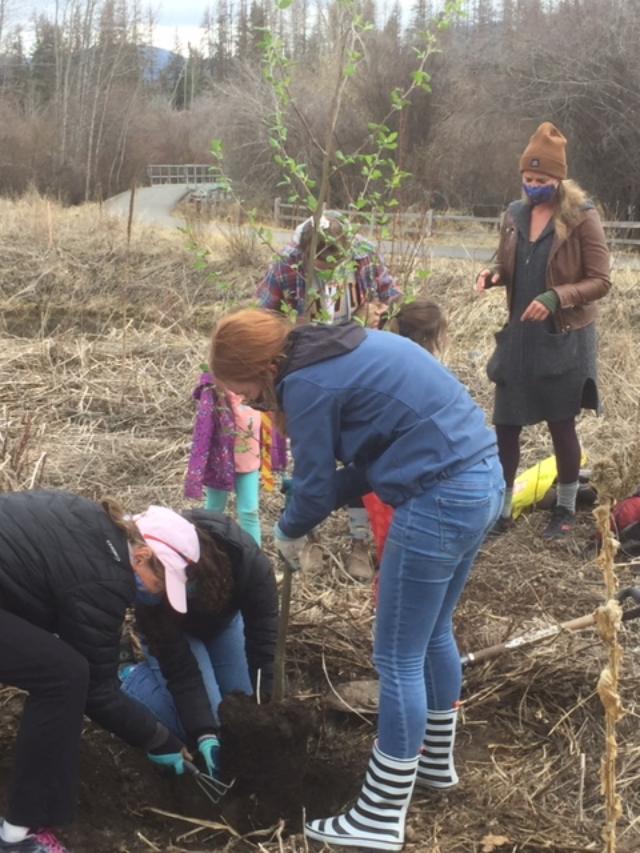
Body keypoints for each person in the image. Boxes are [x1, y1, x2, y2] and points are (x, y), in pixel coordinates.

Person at [210, 308, 504, 852]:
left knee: (396, 657)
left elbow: (321, 488)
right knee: (434, 633)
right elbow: (375, 459)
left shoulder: (306, 382)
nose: (253, 405)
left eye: (249, 394)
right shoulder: (339, 348)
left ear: (264, 367)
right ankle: (434, 766)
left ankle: (380, 815)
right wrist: (315, 493)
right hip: (480, 479)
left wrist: (289, 528)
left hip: (437, 498)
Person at [0, 491, 202, 853]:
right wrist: (158, 739)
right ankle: (17, 836)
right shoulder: (104, 578)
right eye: (162, 583)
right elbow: (96, 687)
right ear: (141, 557)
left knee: (53, 662)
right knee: (65, 675)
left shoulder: (92, 520)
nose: (159, 595)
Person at [476, 121, 611, 540]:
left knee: (560, 423)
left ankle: (566, 508)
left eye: (542, 179)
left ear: (559, 179)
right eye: (527, 178)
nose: (533, 185)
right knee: (506, 424)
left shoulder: (581, 218)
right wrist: (493, 276)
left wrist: (557, 297)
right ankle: (500, 510)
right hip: (518, 336)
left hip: (563, 337)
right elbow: (509, 265)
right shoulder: (515, 216)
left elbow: (601, 281)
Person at [258, 211, 403, 581]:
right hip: (305, 376)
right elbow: (263, 318)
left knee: (357, 454)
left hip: (356, 370)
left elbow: (393, 298)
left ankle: (359, 541)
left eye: (334, 261)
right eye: (320, 262)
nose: (328, 267)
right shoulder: (287, 267)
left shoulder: (363, 256)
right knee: (308, 460)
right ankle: (311, 538)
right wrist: (290, 331)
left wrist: (379, 312)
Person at [120, 510, 278, 758]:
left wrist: (263, 703)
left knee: (241, 709)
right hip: (174, 637)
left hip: (221, 626)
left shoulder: (245, 561)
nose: (160, 591)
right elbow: (181, 671)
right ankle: (129, 676)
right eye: (163, 586)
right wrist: (204, 732)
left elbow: (264, 638)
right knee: (199, 726)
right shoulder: (148, 590)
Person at [184, 370, 286, 546]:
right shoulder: (217, 389)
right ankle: (209, 550)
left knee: (250, 511)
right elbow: (204, 428)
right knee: (214, 512)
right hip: (221, 462)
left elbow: (273, 416)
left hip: (249, 461)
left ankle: (255, 559)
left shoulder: (260, 385)